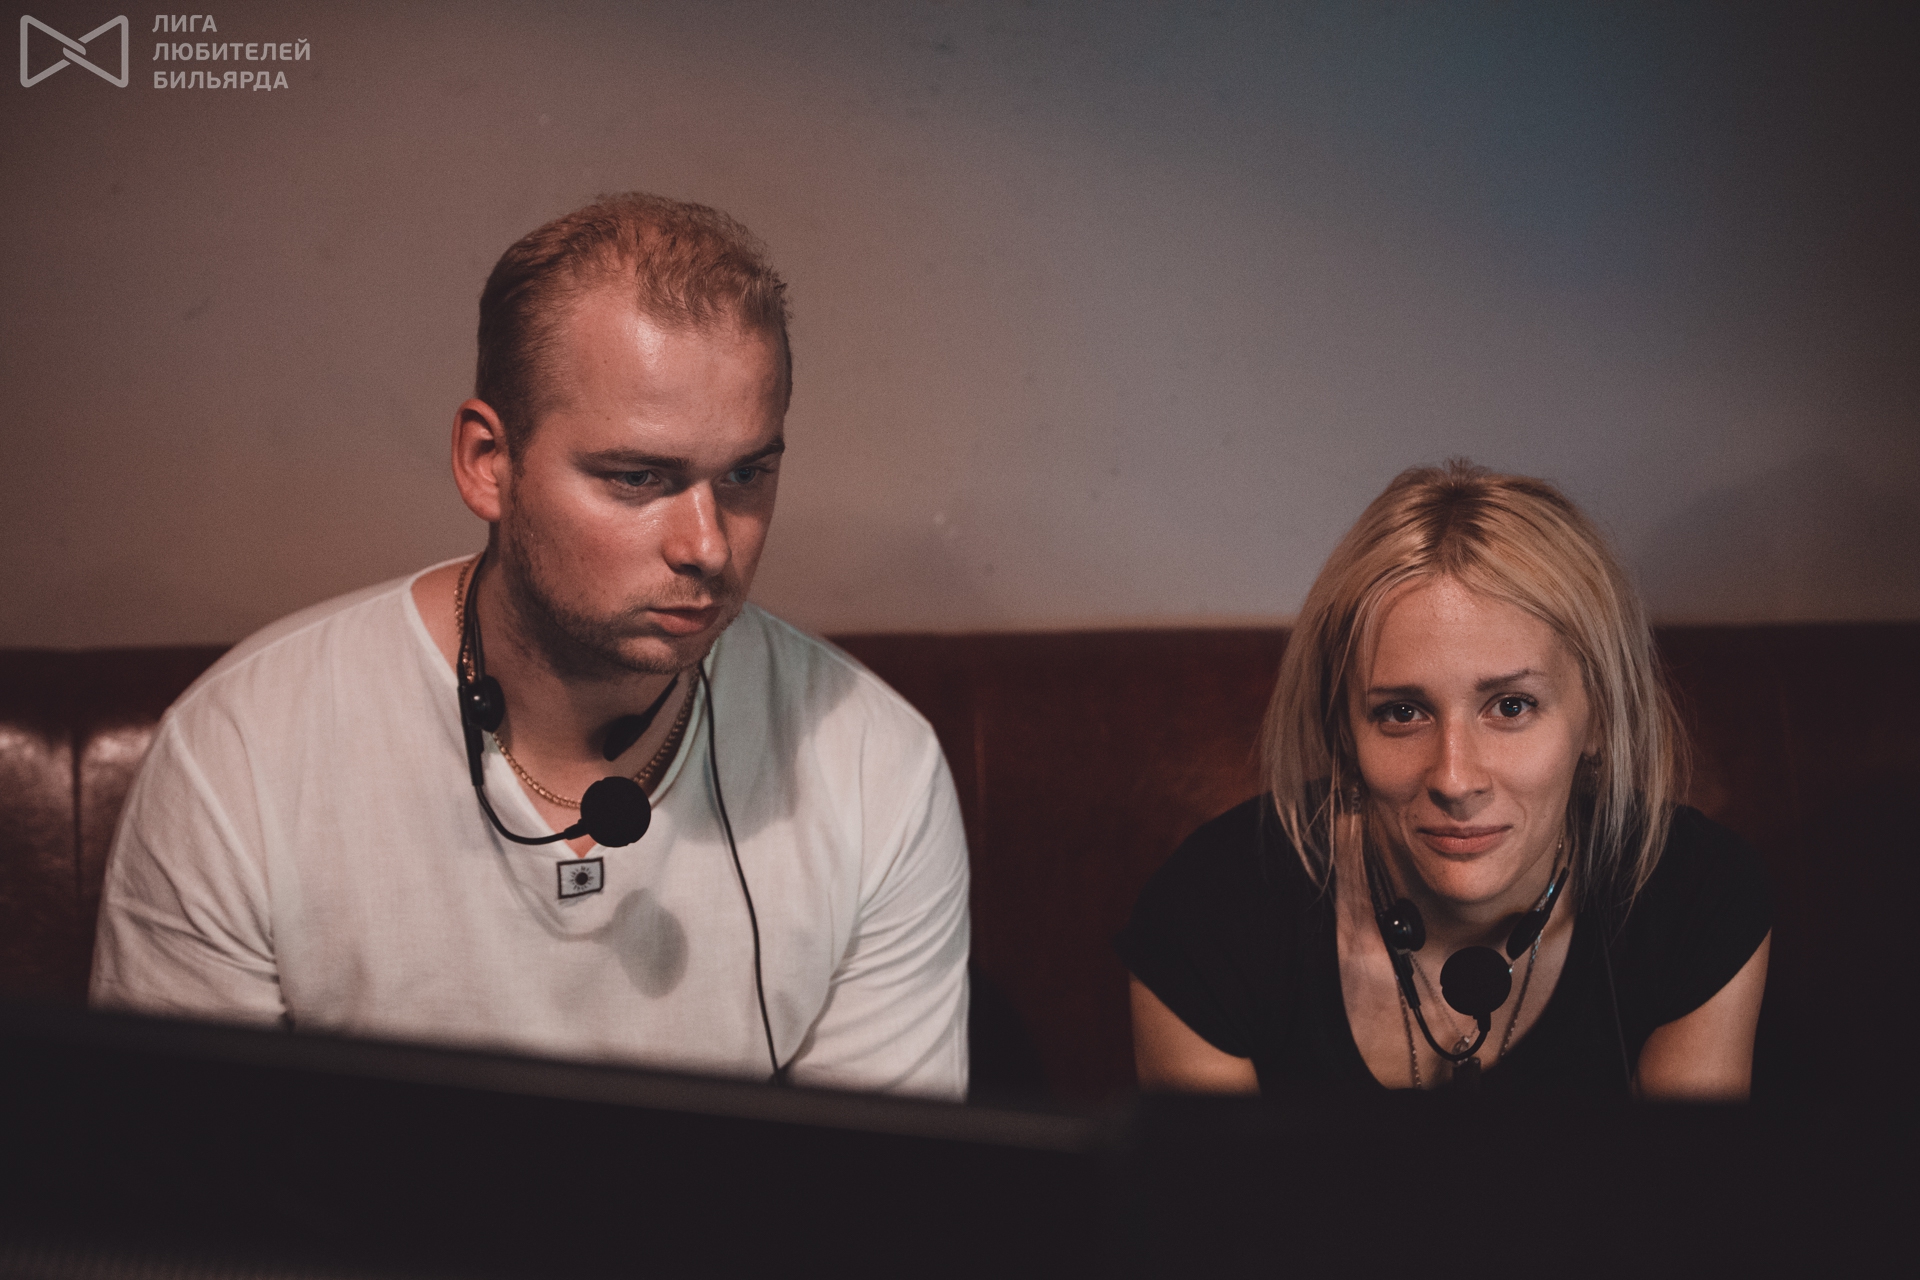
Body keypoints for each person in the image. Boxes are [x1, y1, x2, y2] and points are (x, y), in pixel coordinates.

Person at [91, 193, 971, 1098]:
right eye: (639, 477)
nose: (708, 546)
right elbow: (176, 1159)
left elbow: (878, 1181)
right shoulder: (244, 747)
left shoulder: (875, 765)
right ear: (488, 463)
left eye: (746, 473)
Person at [1117, 461, 1770, 1098]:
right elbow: (1211, 1180)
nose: (1455, 779)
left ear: (1599, 717)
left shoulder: (1698, 900)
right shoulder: (1209, 915)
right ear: (1343, 732)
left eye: (1511, 706)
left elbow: (1690, 1177)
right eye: (1402, 713)